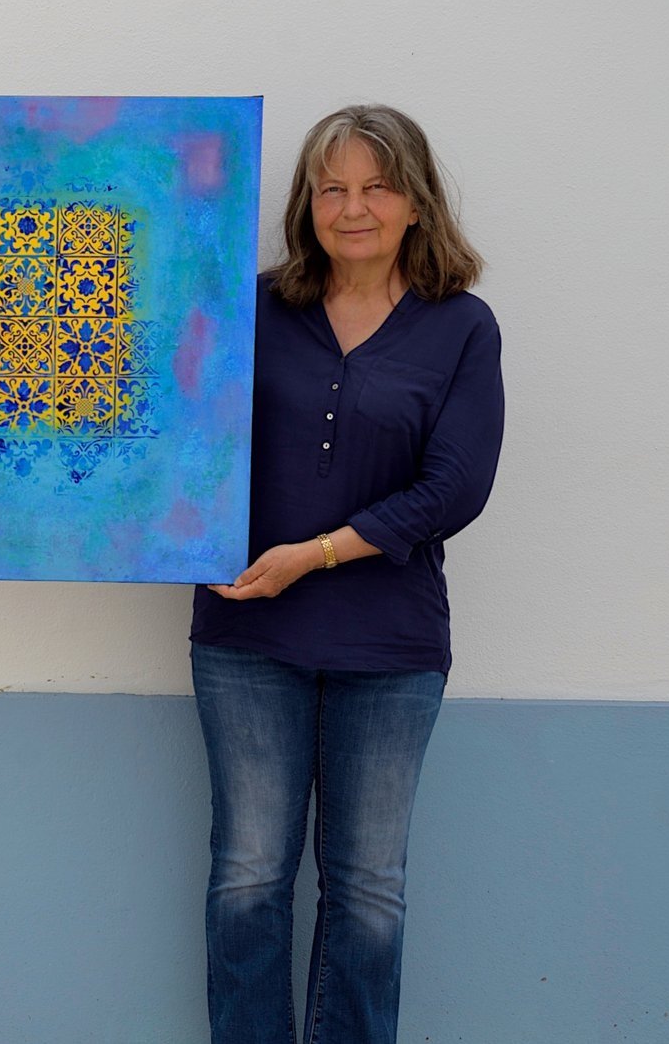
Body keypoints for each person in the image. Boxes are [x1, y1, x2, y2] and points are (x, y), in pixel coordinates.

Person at [191, 105, 504, 1044]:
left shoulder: (461, 327)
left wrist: (315, 554)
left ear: (416, 203)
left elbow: (454, 487)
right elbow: (177, 435)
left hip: (391, 641)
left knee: (368, 889)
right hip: (248, 634)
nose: (353, 206)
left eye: (377, 186)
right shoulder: (252, 310)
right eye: (333, 187)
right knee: (247, 878)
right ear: (308, 202)